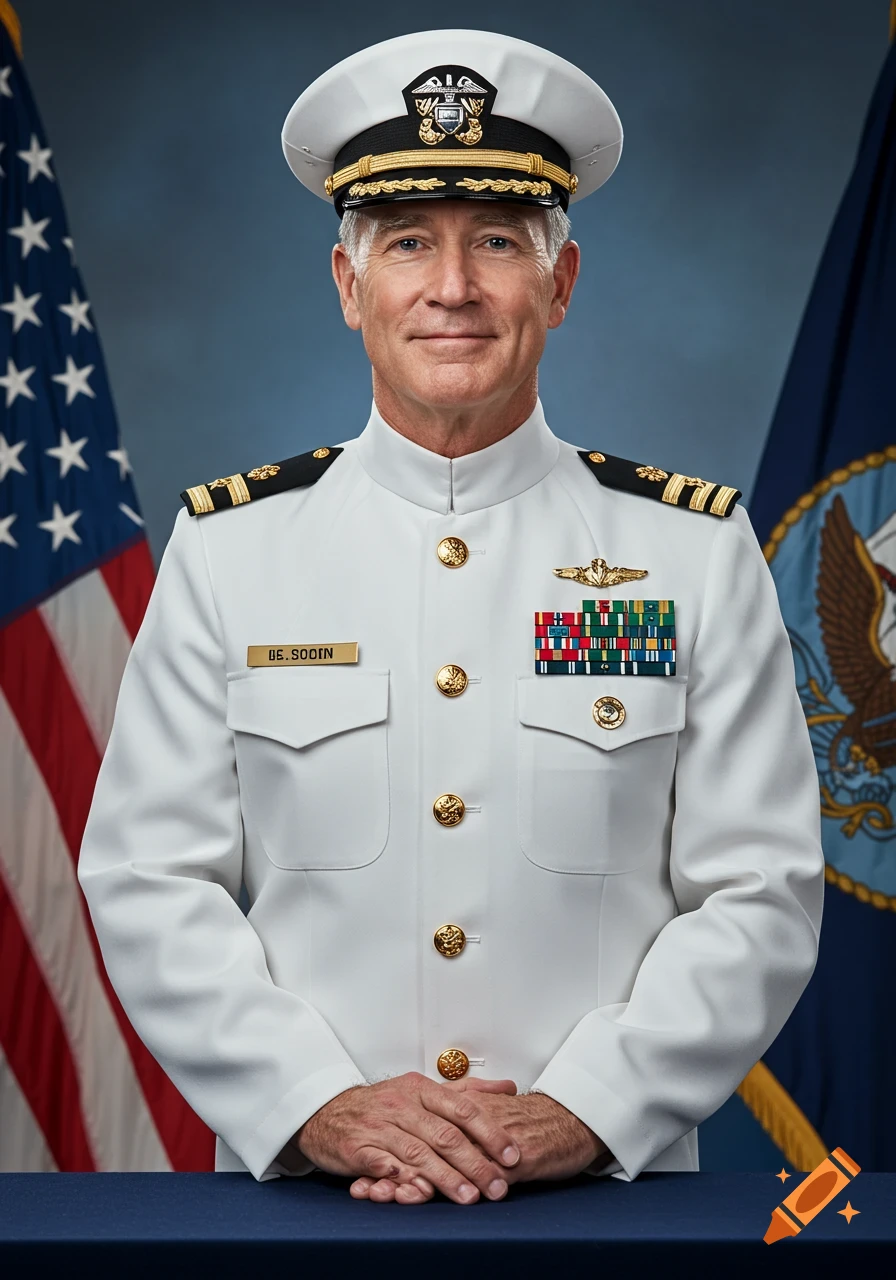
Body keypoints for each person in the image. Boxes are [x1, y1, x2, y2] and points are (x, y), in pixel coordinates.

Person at [78, 29, 825, 1207]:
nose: (452, 288)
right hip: (309, 1203)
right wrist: (314, 1100)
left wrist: (590, 1105)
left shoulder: (691, 552)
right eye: (407, 242)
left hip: (603, 1207)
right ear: (348, 286)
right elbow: (146, 874)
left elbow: (759, 889)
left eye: (497, 241)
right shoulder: (230, 552)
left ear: (560, 284)